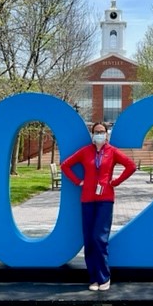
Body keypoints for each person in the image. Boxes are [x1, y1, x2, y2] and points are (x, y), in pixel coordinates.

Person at [60, 122, 136, 291]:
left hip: (105, 200)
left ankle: (104, 277)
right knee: (88, 239)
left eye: (102, 132)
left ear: (107, 134)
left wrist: (115, 182)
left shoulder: (113, 151)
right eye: (96, 132)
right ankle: (93, 278)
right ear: (92, 134)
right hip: (87, 198)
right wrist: (77, 181)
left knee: (99, 238)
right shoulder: (85, 151)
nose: (99, 134)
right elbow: (65, 165)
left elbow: (131, 166)